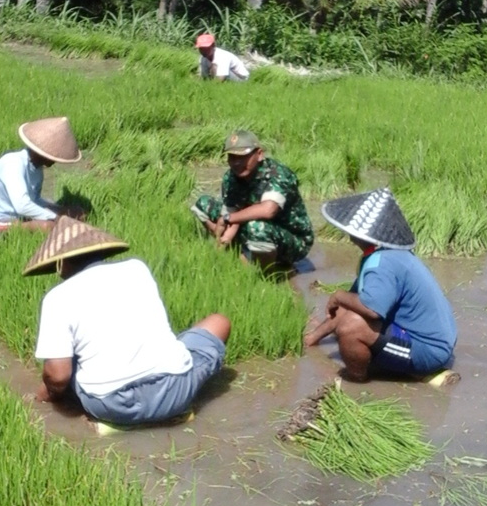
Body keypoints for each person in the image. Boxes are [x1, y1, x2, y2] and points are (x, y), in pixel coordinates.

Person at [26, 216, 232, 426]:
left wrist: (44, 398)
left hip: (112, 406)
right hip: (175, 393)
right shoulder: (137, 268)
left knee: (65, 363)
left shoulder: (57, 297)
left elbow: (59, 376)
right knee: (219, 322)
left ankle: (100, 419)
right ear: (100, 250)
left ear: (61, 263)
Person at [304, 188, 458, 382]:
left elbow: (370, 309)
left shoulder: (382, 264)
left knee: (351, 327)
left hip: (429, 349)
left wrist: (338, 295)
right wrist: (313, 338)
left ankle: (356, 381)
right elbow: (349, 304)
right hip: (434, 338)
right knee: (349, 314)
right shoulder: (383, 255)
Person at [191, 130, 314, 271]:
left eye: (243, 157)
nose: (236, 163)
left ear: (259, 154)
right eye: (232, 157)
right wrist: (223, 239)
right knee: (203, 204)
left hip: (293, 239)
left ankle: (265, 273)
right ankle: (236, 255)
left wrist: (227, 218)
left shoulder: (277, 174)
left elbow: (268, 210)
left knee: (257, 227)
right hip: (251, 225)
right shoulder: (231, 178)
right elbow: (232, 210)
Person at [0, 117, 85, 238]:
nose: (55, 160)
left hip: (13, 217)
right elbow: (23, 205)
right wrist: (56, 217)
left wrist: (60, 209)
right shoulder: (13, 163)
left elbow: (34, 200)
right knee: (47, 227)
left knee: (77, 212)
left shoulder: (36, 169)